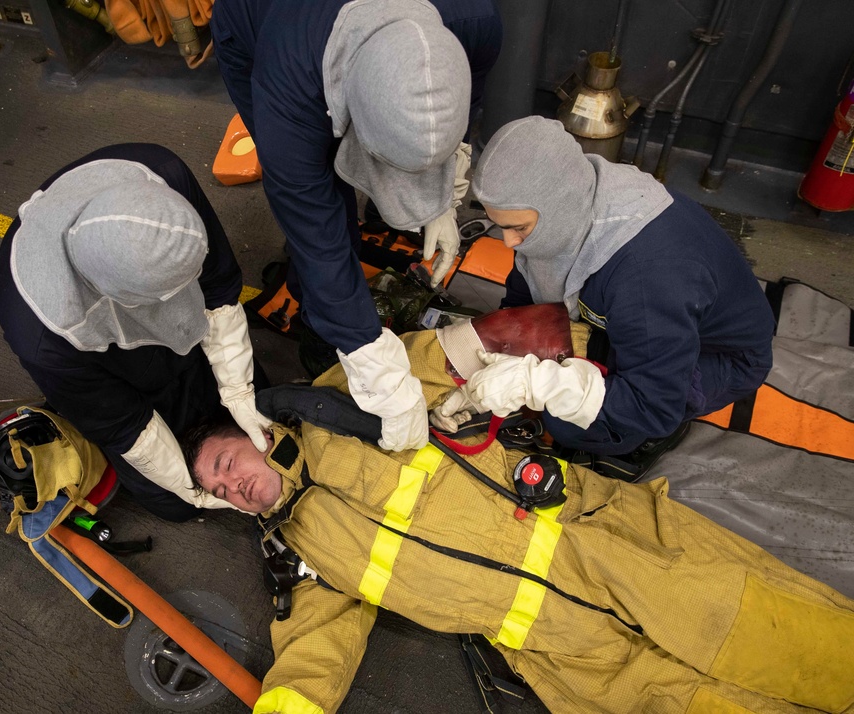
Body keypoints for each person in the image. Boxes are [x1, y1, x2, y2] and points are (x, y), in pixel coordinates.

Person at [182, 324, 854, 714]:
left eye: (225, 461)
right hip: (549, 644)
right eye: (218, 489)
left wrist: (606, 358)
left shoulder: (341, 401)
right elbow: (315, 640)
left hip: (592, 542)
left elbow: (481, 344)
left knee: (760, 622)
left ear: (250, 428)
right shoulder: (294, 545)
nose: (232, 486)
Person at [210, 0, 502, 452]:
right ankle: (324, 333)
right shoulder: (289, 102)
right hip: (263, 29)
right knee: (325, 208)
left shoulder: (475, 23)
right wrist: (385, 384)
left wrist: (446, 198)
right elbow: (317, 236)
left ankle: (347, 315)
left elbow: (466, 108)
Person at [436, 116, 776, 465]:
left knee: (567, 422)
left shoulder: (646, 277)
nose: (509, 243)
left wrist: (538, 385)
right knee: (557, 365)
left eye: (519, 228)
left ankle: (649, 435)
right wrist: (485, 372)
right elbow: (522, 309)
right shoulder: (573, 200)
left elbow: (653, 404)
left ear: (558, 206)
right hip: (641, 317)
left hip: (717, 356)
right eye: (502, 226)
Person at [0, 143, 270, 521]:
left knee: (263, 403)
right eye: (165, 300)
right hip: (120, 376)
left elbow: (218, 288)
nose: (233, 487)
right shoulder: (45, 338)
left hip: (167, 313)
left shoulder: (163, 173)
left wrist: (237, 391)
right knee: (174, 503)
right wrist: (193, 491)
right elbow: (125, 424)